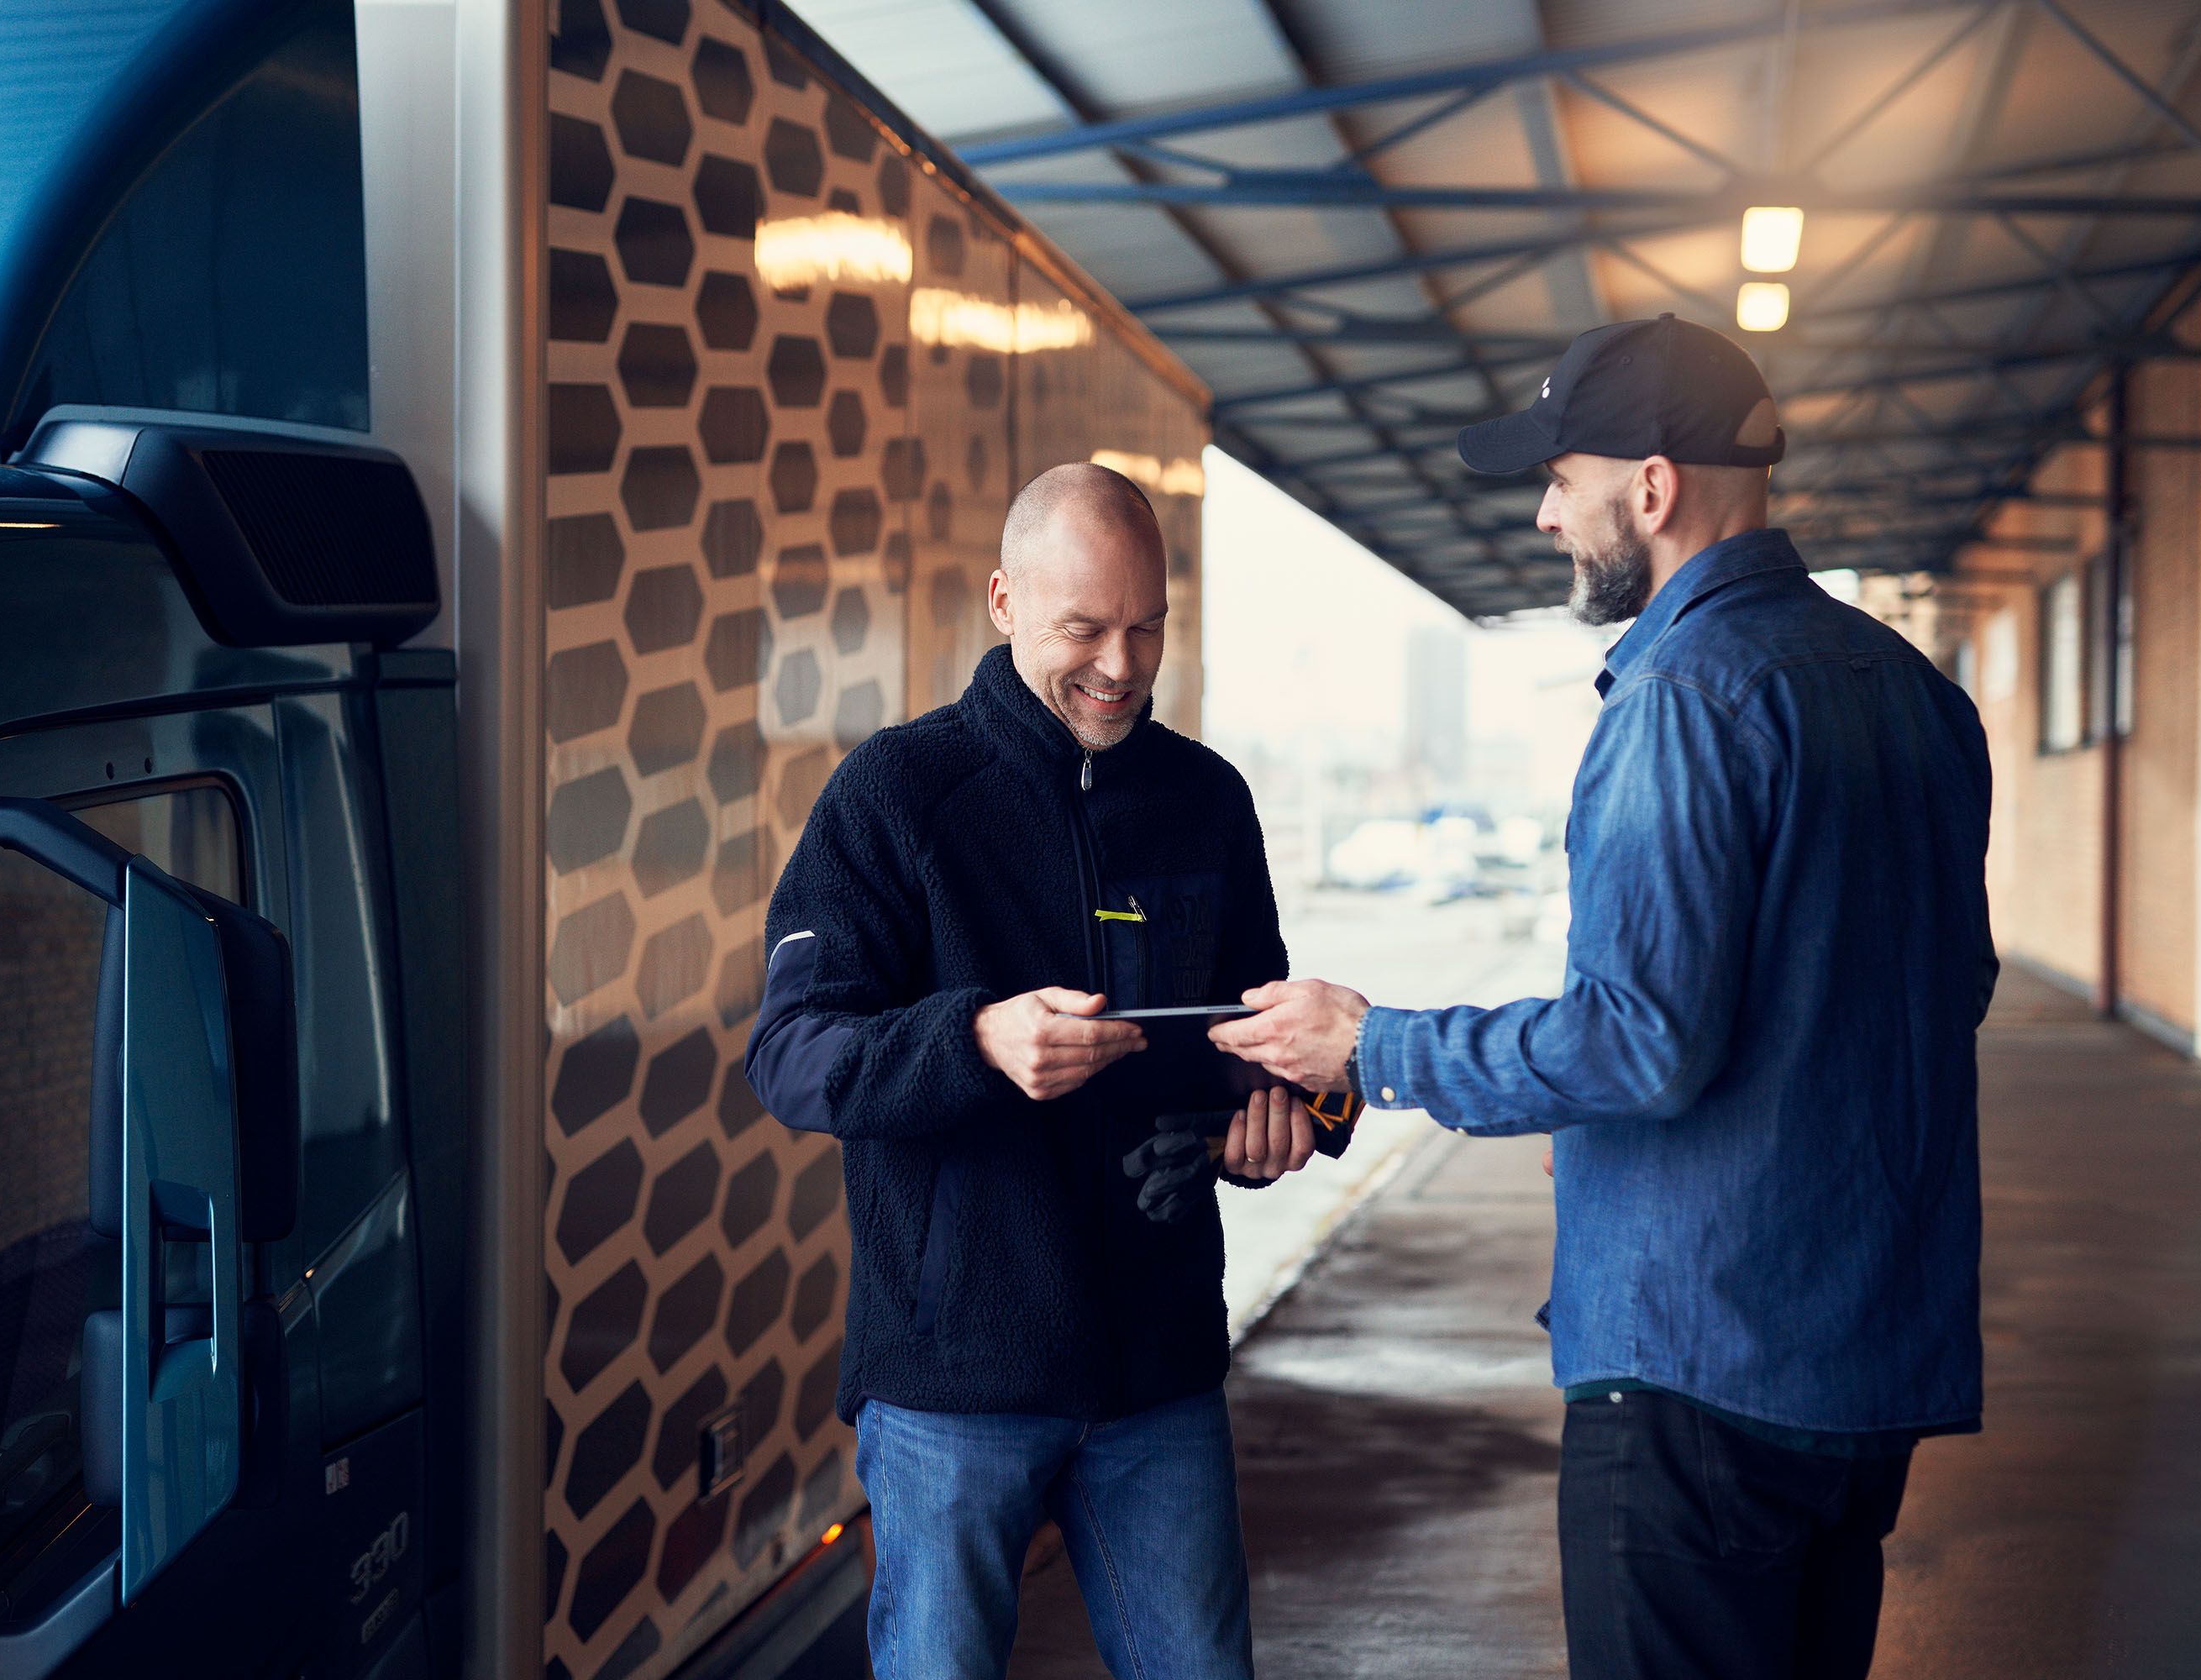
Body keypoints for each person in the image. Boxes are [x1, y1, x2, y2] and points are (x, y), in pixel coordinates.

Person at [1213, 314, 1997, 1680]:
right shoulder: (1920, 697)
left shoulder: (1684, 697)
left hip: (1702, 1358)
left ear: (1651, 486)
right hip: (1872, 1362)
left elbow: (1639, 1040)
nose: (1542, 514)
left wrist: (1372, 1044)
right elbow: (1956, 984)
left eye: (1560, 479)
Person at [747, 462, 1318, 1679]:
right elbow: (792, 1055)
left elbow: (1259, 1038)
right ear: (1005, 603)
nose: (1122, 663)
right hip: (954, 1385)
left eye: (1148, 626)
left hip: (1158, 1374)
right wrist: (973, 1041)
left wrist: (1286, 1119)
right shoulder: (894, 797)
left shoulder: (1207, 803)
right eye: (1085, 628)